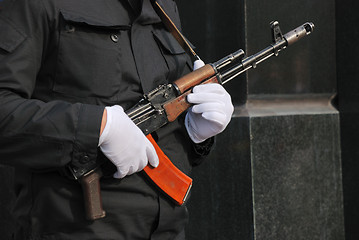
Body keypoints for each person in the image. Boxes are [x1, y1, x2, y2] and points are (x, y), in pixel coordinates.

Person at [0, 0, 234, 239]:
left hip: (168, 228)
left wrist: (195, 132)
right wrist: (97, 127)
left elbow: (162, 113)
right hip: (75, 228)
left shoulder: (163, 5)